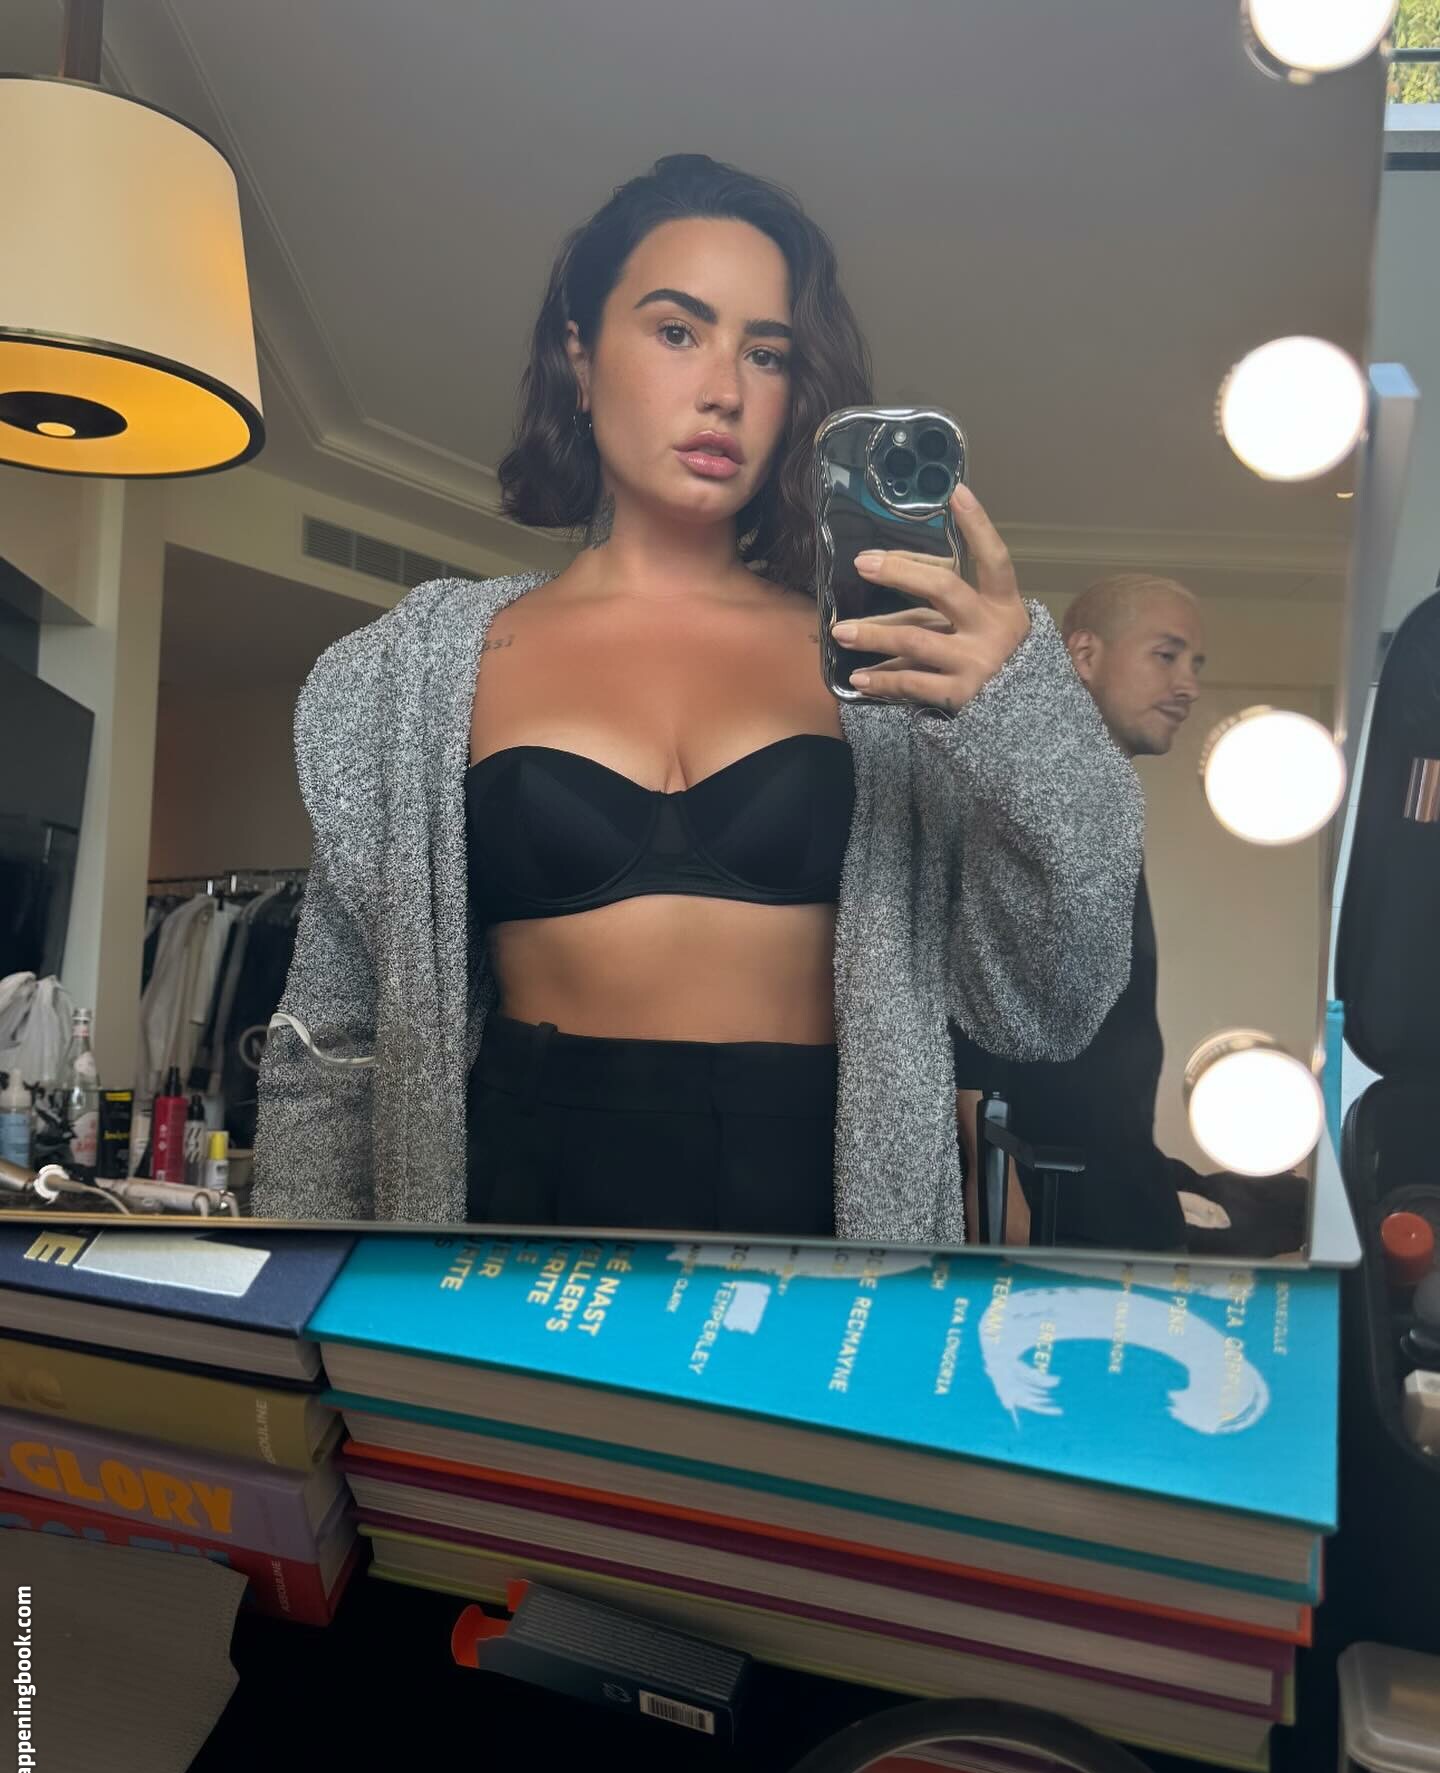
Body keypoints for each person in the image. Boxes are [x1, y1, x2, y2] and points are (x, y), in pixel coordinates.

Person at [251, 153, 1142, 1240]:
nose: (725, 389)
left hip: (824, 1205)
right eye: (678, 331)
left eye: (766, 353)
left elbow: (1048, 1004)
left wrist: (1021, 711)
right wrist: (305, 1302)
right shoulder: (418, 667)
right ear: (580, 357)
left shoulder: (885, 665)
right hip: (519, 1191)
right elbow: (332, 1048)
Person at [953, 573, 1205, 1252]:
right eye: (1167, 655)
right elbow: (971, 995)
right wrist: (993, 1179)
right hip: (1043, 1186)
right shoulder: (1018, 792)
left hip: (1117, 1175)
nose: (1188, 685)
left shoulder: (1103, 801)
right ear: (1085, 655)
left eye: (1196, 664)